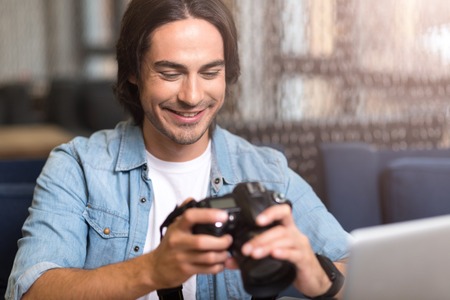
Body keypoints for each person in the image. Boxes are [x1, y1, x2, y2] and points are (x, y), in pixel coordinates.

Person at [6, 0, 351, 299]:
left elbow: (363, 272)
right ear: (133, 72)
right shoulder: (77, 167)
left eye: (210, 72)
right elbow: (33, 291)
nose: (192, 95)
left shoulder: (267, 171)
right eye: (170, 73)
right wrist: (154, 270)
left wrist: (321, 277)